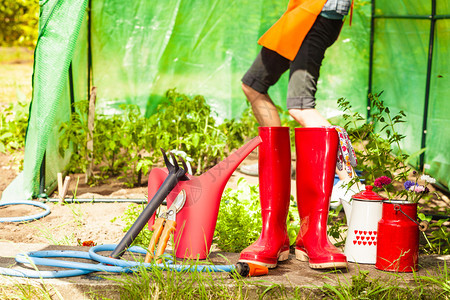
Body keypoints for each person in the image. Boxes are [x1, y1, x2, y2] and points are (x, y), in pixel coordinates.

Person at [238, 0, 360, 270]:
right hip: (299, 14)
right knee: (253, 85)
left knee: (301, 107)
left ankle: (349, 183)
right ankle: (275, 231)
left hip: (319, 13)